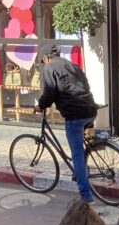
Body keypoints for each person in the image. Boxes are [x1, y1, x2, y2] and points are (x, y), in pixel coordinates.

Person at [35, 41, 97, 203]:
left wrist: (40, 106)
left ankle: (86, 196)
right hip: (90, 109)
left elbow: (49, 93)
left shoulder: (49, 68)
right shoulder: (71, 64)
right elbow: (86, 84)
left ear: (46, 57)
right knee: (81, 146)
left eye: (42, 60)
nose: (43, 64)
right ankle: (99, 140)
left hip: (75, 115)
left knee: (76, 155)